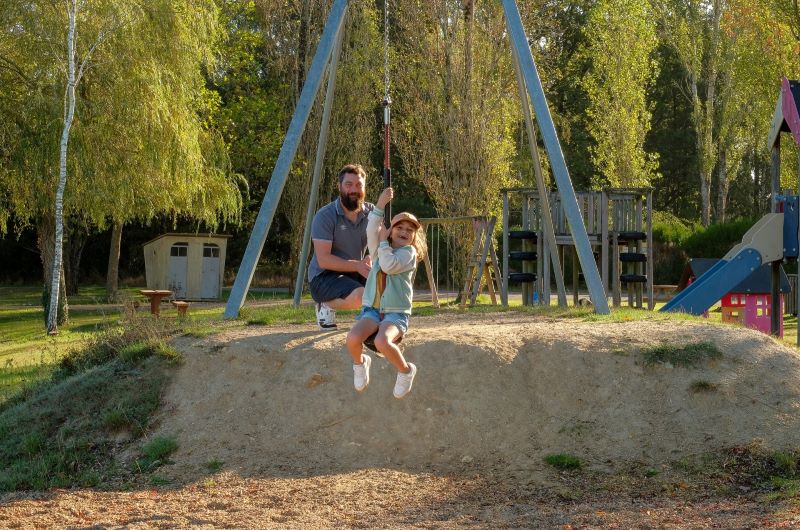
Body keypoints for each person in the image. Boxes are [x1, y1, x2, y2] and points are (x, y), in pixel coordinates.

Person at [345, 187, 427, 399]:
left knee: (382, 341)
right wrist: (380, 205)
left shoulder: (408, 254)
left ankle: (406, 371)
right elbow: (371, 228)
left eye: (410, 230)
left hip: (395, 313)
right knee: (353, 338)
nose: (405, 231)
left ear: (414, 237)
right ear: (391, 230)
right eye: (400, 226)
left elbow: (389, 266)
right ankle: (360, 363)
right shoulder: (381, 250)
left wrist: (383, 241)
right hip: (372, 310)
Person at [308, 164, 374, 329]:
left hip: (354, 271)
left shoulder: (371, 212)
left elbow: (383, 243)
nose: (354, 189)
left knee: (386, 289)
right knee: (362, 296)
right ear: (340, 186)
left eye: (359, 185)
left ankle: (378, 323)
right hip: (323, 276)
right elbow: (323, 260)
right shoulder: (325, 216)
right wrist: (358, 265)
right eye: (349, 184)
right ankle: (326, 305)